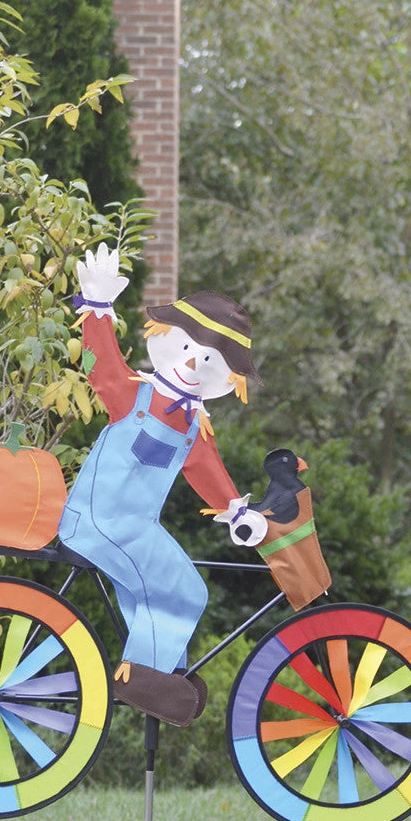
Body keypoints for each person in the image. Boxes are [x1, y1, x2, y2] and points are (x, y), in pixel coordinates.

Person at [58, 245, 267, 726]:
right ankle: (142, 681)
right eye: (189, 349)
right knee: (186, 589)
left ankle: (161, 672)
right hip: (99, 520)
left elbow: (208, 472)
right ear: (167, 336)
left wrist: (237, 512)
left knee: (155, 592)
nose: (193, 364)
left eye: (209, 360)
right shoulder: (136, 393)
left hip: (134, 527)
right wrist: (97, 305)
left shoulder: (194, 423)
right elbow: (101, 363)